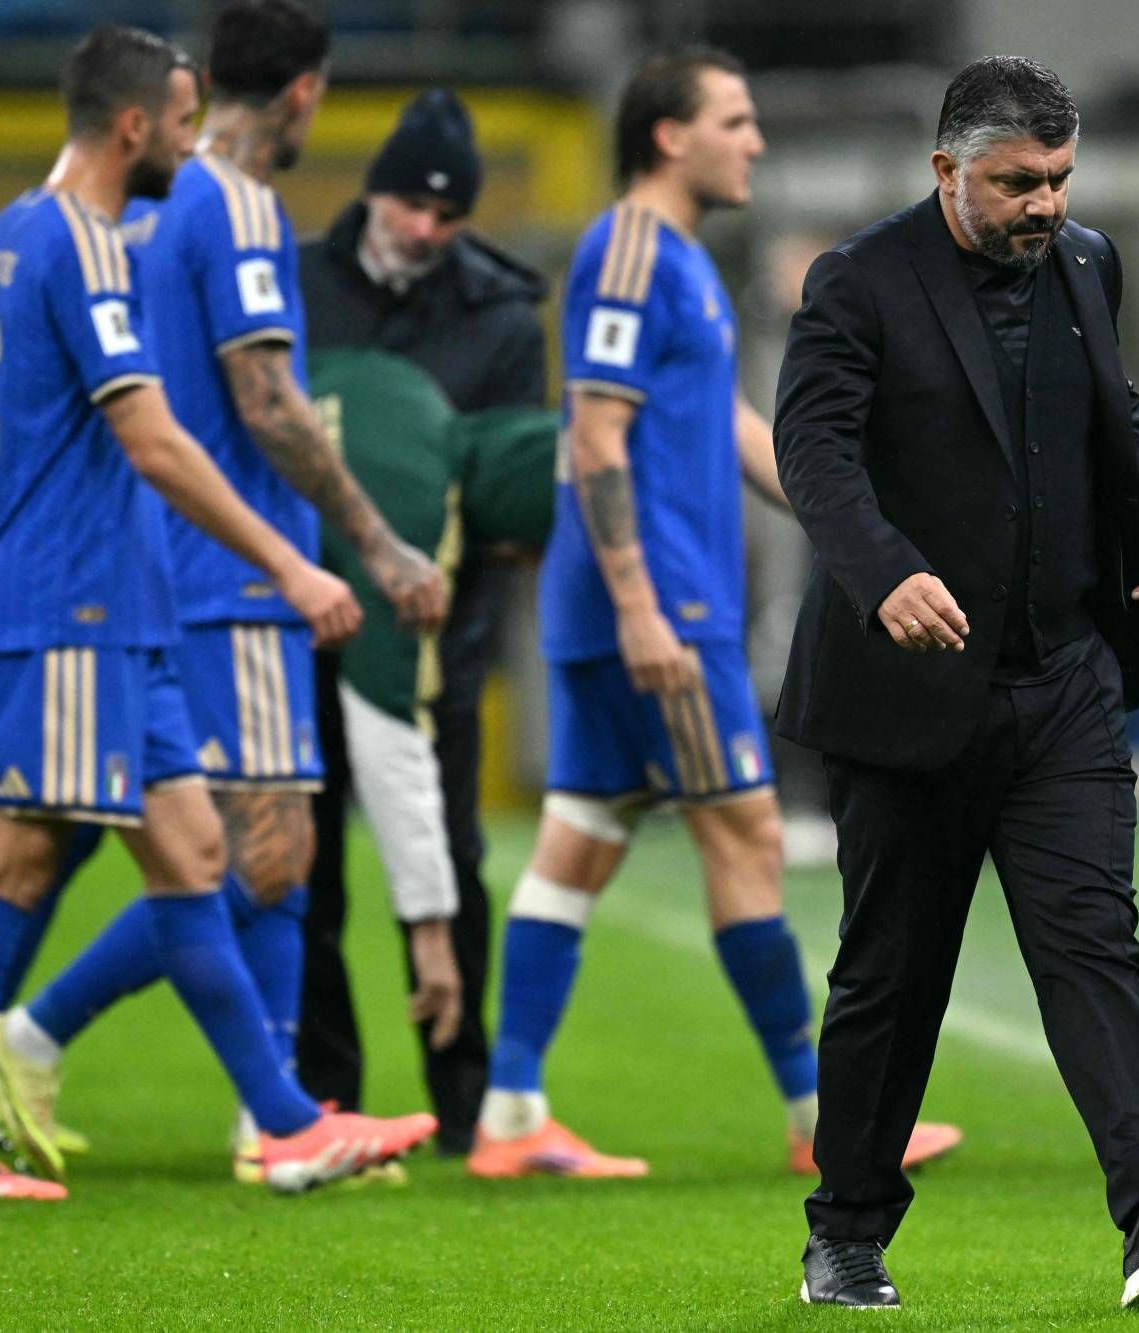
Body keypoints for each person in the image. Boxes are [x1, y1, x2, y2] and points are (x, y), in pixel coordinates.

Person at [0, 24, 435, 1201]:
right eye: (182, 122)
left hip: (120, 605)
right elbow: (154, 439)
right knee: (12, 858)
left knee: (196, 854)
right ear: (133, 126)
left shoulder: (4, 239)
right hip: (70, 597)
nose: (195, 141)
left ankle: (284, 1125)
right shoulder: (81, 247)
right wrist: (292, 564)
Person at [774, 55, 1139, 1310]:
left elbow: (1115, 415)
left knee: (1093, 941)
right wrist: (880, 570)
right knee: (890, 976)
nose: (1044, 205)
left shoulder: (1086, 263)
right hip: (907, 692)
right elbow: (811, 448)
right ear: (946, 168)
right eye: (1016, 183)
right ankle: (847, 1231)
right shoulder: (858, 281)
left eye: (1058, 178)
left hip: (1059, 682)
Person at [467, 46, 959, 1184]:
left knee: (581, 838)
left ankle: (510, 1112)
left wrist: (853, 525)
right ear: (667, 135)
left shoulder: (676, 258)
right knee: (741, 835)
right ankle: (823, 1119)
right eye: (734, 120)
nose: (755, 141)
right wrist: (644, 609)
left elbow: (726, 426)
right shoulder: (630, 251)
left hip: (641, 605)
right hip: (662, 608)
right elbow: (595, 437)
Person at [295, 88, 551, 1156]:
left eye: (448, 216)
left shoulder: (498, 316)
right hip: (301, 624)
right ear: (374, 193)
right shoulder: (294, 285)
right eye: (411, 205)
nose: (426, 229)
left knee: (449, 852)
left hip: (439, 633)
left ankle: (462, 1099)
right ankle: (322, 1096)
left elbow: (508, 494)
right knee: (304, 865)